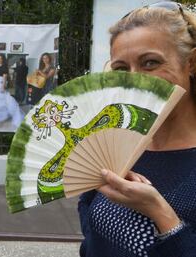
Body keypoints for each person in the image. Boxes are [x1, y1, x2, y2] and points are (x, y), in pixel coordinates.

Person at [78, 2, 196, 257]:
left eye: (150, 63)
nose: (135, 80)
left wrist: (160, 212)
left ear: (192, 63)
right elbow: (89, 226)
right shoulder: (111, 143)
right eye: (121, 69)